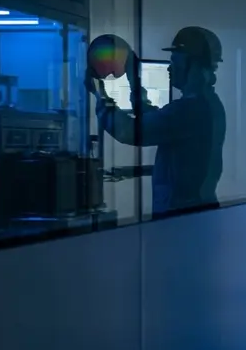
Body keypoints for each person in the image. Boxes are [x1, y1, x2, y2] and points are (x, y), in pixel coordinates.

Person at [88, 27, 227, 219]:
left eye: (174, 61)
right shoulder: (207, 104)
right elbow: (161, 122)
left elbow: (128, 131)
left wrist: (100, 95)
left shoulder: (190, 110)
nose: (170, 68)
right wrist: (133, 82)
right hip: (195, 217)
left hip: (181, 223)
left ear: (191, 63)